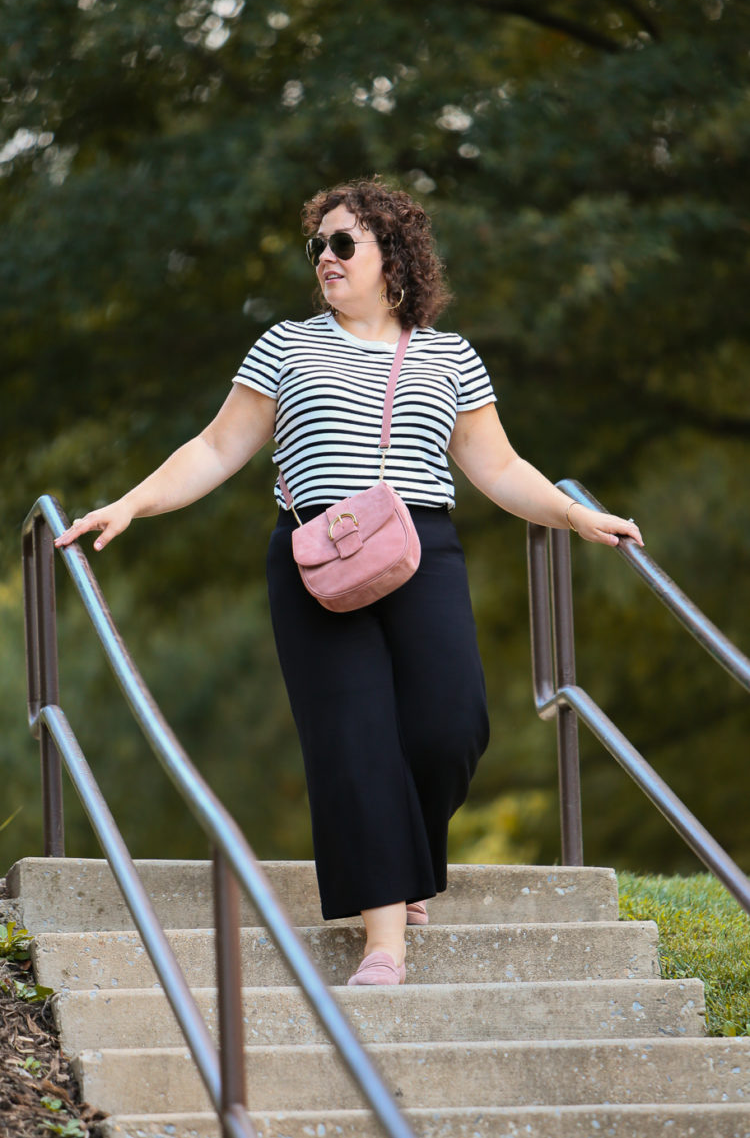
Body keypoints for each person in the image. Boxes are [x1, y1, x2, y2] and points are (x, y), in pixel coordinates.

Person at [55, 177, 643, 986]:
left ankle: (404, 851)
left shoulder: (448, 355)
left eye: (343, 244)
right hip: (314, 557)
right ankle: (384, 940)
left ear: (393, 258)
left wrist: (578, 517)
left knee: (452, 726)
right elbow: (216, 448)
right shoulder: (286, 347)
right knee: (355, 738)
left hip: (420, 549)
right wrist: (131, 503)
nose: (325, 259)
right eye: (317, 246)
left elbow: (499, 467)